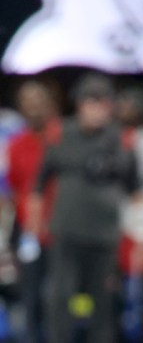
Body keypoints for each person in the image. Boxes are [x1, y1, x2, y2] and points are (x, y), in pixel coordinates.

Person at [29, 72, 142, 343]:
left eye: (103, 102)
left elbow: (137, 193)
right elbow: (38, 186)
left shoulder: (121, 140)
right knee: (61, 300)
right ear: (80, 104)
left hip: (105, 238)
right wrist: (34, 228)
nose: (97, 109)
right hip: (66, 234)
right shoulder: (60, 135)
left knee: (103, 304)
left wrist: (140, 237)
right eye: (92, 101)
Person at [6, 80, 61, 343]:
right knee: (31, 296)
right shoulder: (16, 145)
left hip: (61, 230)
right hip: (29, 233)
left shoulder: (61, 138)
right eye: (27, 103)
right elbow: (16, 188)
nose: (33, 108)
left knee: (61, 297)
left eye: (38, 101)